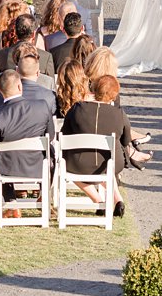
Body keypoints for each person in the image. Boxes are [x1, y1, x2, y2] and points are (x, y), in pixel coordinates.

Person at [60, 74, 148, 216]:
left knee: (69, 169)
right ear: (114, 95)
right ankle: (117, 199)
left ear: (93, 89)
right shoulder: (119, 113)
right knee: (107, 163)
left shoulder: (77, 109)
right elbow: (126, 140)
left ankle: (98, 200)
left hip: (79, 163)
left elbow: (64, 135)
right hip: (110, 163)